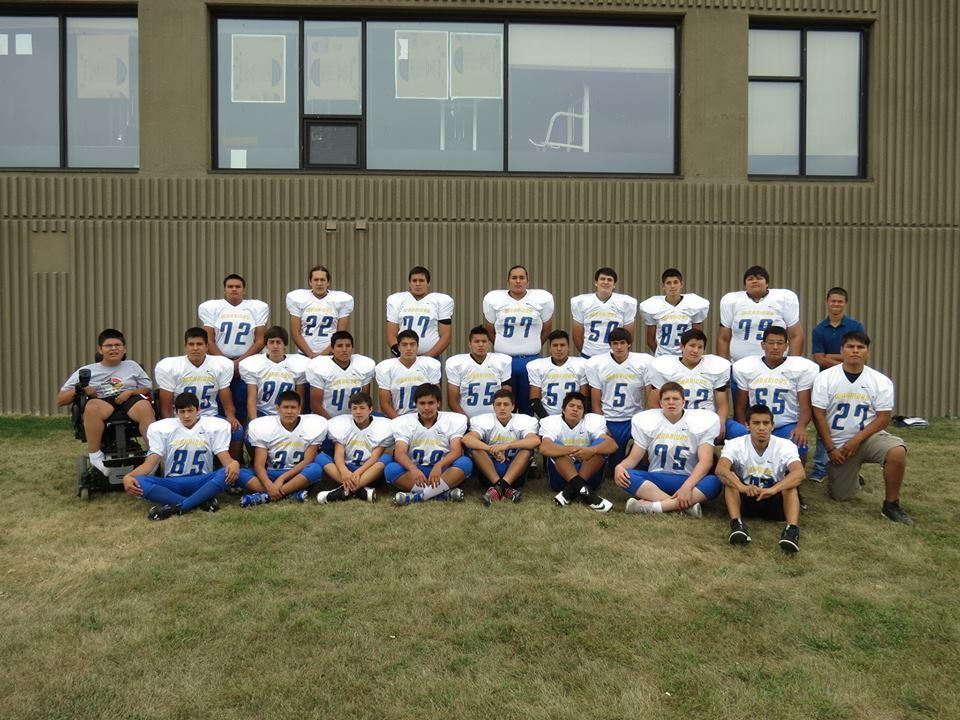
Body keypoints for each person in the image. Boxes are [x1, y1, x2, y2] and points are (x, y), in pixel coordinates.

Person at [811, 331, 914, 526]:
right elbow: (818, 415)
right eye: (851, 347)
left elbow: (883, 418)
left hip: (868, 438)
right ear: (842, 350)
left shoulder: (880, 381)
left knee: (897, 451)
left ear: (867, 351)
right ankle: (853, 477)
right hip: (839, 445)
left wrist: (856, 440)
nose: (855, 351)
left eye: (860, 347)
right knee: (841, 496)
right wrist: (831, 448)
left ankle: (891, 504)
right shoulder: (825, 378)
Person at [122, 392, 254, 520]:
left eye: (190, 411)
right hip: (173, 482)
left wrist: (233, 463)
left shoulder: (212, 426)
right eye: (182, 411)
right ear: (176, 412)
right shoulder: (163, 428)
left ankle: (177, 507)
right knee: (140, 481)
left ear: (198, 410)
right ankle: (199, 501)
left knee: (228, 472)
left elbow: (225, 458)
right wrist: (129, 476)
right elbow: (150, 464)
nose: (186, 415)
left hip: (202, 481)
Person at [614, 382, 721, 518]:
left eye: (675, 399)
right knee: (626, 474)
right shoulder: (649, 421)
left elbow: (706, 461)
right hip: (656, 480)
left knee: (714, 482)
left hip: (687, 479)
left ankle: (654, 506)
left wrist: (687, 487)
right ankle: (683, 506)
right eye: (666, 399)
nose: (671, 402)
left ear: (684, 401)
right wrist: (620, 466)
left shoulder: (701, 422)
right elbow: (634, 458)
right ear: (660, 403)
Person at [57, 328, 155, 475]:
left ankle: (153, 454)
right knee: (92, 406)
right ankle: (96, 456)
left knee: (145, 406)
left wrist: (131, 392)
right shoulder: (87, 370)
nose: (114, 349)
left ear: (124, 348)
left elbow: (147, 387)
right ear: (100, 349)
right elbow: (61, 399)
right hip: (102, 400)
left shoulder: (132, 366)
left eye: (118, 345)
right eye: (109, 346)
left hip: (129, 398)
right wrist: (81, 389)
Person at [716, 404, 805, 552]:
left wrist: (773, 489)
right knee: (729, 477)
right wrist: (741, 487)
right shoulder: (735, 444)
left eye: (766, 423)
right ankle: (737, 524)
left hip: (773, 497)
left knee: (790, 484)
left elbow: (799, 473)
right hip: (746, 495)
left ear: (772, 426)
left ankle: (792, 530)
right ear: (747, 426)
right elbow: (721, 469)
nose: (761, 428)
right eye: (756, 423)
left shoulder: (785, 445)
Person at [732, 325, 819, 461]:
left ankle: (794, 479)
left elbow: (805, 407)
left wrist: (801, 427)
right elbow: (740, 406)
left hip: (786, 424)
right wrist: (744, 428)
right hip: (757, 424)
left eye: (779, 343)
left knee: (799, 442)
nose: (775, 347)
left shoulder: (799, 369)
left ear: (786, 346)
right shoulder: (747, 368)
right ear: (763, 345)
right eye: (771, 343)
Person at [809, 287, 866, 481]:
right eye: (833, 301)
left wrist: (833, 357)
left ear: (846, 304)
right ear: (827, 302)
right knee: (822, 422)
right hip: (827, 382)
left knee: (850, 424)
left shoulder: (855, 326)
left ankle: (852, 467)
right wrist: (844, 361)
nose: (836, 305)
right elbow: (819, 359)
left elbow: (857, 353)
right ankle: (820, 468)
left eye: (840, 302)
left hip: (851, 381)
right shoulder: (819, 329)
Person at [198, 273, 270, 424]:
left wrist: (238, 363)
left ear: (244, 290)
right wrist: (226, 364)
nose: (234, 289)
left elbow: (260, 340)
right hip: (219, 362)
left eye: (238, 287)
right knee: (218, 401)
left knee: (243, 399)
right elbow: (208, 340)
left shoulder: (256, 307)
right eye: (230, 287)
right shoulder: (213, 308)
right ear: (224, 290)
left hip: (246, 363)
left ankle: (242, 437)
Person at [483, 265, 555, 414]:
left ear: (527, 281)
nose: (518, 281)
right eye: (514, 278)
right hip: (503, 360)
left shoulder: (541, 299)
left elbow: (546, 329)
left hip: (530, 359)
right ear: (508, 281)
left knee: (528, 404)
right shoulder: (494, 300)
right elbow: (490, 330)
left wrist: (532, 345)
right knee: (504, 404)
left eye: (522, 278)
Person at [385, 384, 473, 505]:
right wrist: (413, 469)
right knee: (390, 469)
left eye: (431, 403)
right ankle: (442, 494)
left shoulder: (452, 420)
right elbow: (400, 453)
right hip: (416, 473)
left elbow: (456, 451)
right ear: (416, 404)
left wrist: (439, 466)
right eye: (422, 403)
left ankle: (416, 497)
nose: (426, 407)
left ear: (438, 403)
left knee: (465, 462)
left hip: (443, 471)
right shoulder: (404, 422)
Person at [647, 328, 740, 442]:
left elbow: (723, 404)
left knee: (739, 432)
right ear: (682, 347)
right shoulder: (666, 368)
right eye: (692, 345)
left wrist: (721, 422)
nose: (696, 350)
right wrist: (669, 423)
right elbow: (653, 402)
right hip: (678, 419)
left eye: (700, 347)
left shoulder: (714, 367)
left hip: (707, 420)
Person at [242, 390, 330, 506]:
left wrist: (282, 479)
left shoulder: (311, 426)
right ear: (278, 409)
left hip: (297, 474)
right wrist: (268, 483)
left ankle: (268, 496)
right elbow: (259, 464)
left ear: (299, 409)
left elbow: (308, 460)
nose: (289, 411)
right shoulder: (265, 427)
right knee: (239, 473)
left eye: (293, 407)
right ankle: (289, 493)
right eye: (285, 407)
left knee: (315, 469)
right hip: (271, 472)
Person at [539, 392, 618, 512]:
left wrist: (592, 450)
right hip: (560, 478)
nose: (575, 409)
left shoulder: (592, 421)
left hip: (589, 475)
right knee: (557, 447)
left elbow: (612, 445)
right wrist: (573, 450)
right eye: (571, 406)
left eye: (579, 407)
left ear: (583, 413)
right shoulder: (552, 422)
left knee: (600, 444)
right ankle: (590, 496)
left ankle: (570, 491)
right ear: (563, 409)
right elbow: (544, 448)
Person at [154, 327, 239, 439]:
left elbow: (226, 398)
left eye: (199, 344)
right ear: (185, 346)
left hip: (210, 416)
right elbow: (166, 407)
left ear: (207, 346)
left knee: (237, 433)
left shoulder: (219, 364)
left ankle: (230, 457)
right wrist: (170, 424)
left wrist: (231, 416)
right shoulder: (171, 367)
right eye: (191, 344)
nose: (195, 348)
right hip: (182, 417)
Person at [585, 327, 653, 467]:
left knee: (641, 458)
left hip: (632, 419)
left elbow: (649, 393)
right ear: (610, 345)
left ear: (629, 343)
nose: (619, 347)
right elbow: (595, 398)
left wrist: (646, 419)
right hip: (609, 418)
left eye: (622, 343)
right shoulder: (597, 364)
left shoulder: (643, 362)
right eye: (615, 343)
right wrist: (601, 423)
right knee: (611, 464)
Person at [462, 389, 540, 505]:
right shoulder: (484, 420)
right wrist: (490, 449)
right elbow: (467, 439)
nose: (502, 408)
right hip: (489, 472)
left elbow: (535, 440)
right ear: (493, 407)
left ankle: (500, 487)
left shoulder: (524, 420)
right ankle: (504, 487)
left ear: (513, 407)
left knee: (527, 450)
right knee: (475, 449)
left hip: (515, 473)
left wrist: (506, 446)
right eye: (498, 404)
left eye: (506, 404)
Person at [716, 265, 803, 367]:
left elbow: (796, 335)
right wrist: (723, 368)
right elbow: (724, 338)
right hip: (740, 366)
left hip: (776, 365)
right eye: (750, 279)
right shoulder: (732, 301)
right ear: (745, 285)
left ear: (767, 283)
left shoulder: (783, 299)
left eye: (759, 278)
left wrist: (793, 365)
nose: (755, 281)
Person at [316, 392, 393, 504]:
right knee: (320, 457)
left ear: (370, 409)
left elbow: (375, 458)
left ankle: (343, 490)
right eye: (354, 408)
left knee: (387, 458)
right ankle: (360, 490)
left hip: (368, 471)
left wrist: (358, 473)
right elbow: (339, 454)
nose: (358, 412)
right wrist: (344, 471)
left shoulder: (381, 427)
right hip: (347, 469)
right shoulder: (343, 425)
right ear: (350, 410)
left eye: (362, 408)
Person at [239, 325, 310, 419]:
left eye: (278, 342)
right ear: (266, 344)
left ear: (285, 344)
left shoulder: (297, 365)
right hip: (263, 413)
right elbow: (252, 398)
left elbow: (299, 398)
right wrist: (254, 421)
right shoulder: (254, 365)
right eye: (271, 342)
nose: (275, 346)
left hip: (288, 413)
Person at [385, 266, 454, 358]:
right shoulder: (397, 300)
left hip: (431, 358)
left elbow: (446, 336)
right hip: (403, 358)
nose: (418, 284)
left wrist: (428, 357)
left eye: (421, 281)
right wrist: (400, 355)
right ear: (409, 283)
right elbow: (391, 334)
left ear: (428, 283)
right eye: (414, 281)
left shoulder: (440, 301)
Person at [286, 264, 354, 358]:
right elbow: (295, 333)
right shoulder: (299, 299)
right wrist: (310, 354)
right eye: (316, 280)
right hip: (304, 355)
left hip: (330, 355)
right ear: (310, 282)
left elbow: (340, 335)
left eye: (322, 280)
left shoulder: (340, 300)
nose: (319, 283)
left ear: (328, 282)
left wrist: (322, 355)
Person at [640, 268, 710, 356]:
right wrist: (660, 354)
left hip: (685, 357)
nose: (672, 286)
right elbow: (650, 340)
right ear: (663, 286)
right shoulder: (654, 306)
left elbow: (697, 338)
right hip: (663, 356)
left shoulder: (693, 304)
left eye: (676, 282)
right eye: (668, 283)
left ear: (681, 284)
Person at [305, 331, 375, 419]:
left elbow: (364, 401)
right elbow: (315, 405)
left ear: (352, 348)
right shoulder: (320, 367)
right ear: (332, 349)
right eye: (339, 346)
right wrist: (332, 424)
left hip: (354, 420)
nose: (344, 349)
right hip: (326, 419)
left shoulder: (363, 366)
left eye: (348, 346)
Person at [570, 267, 638, 359]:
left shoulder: (626, 303)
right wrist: (585, 351)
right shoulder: (581, 302)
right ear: (596, 282)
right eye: (602, 279)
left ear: (614, 285)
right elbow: (577, 334)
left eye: (609, 280)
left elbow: (628, 335)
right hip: (589, 354)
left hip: (614, 355)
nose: (605, 282)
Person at [445, 326, 512, 418]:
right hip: (468, 418)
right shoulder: (457, 364)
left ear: (489, 343)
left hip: (494, 419)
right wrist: (466, 420)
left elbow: (507, 397)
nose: (481, 345)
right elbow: (452, 401)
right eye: (476, 341)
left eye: (484, 341)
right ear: (470, 344)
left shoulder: (501, 361)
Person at [375, 329, 442, 418]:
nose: (409, 348)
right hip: (397, 417)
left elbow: (436, 398)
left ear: (417, 346)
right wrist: (399, 422)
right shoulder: (386, 368)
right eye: (404, 345)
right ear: (398, 347)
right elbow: (385, 404)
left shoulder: (430, 365)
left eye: (412, 344)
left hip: (424, 418)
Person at [527, 330, 589, 418]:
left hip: (573, 417)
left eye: (562, 345)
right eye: (555, 345)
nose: (559, 349)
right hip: (548, 416)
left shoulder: (581, 365)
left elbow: (584, 398)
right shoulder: (538, 366)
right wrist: (547, 420)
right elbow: (534, 399)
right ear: (550, 348)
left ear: (568, 347)